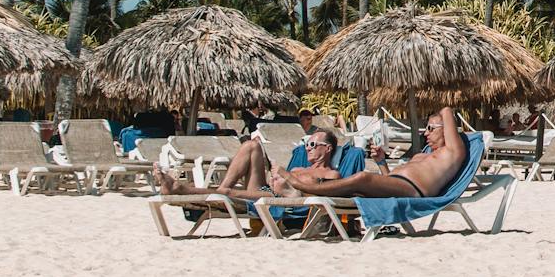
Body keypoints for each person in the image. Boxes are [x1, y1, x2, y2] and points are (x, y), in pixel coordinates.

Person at [267, 106, 468, 200]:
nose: (425, 133)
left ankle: (301, 187)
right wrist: (381, 162)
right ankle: (302, 191)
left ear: (447, 130)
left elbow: (447, 110)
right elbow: (389, 181)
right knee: (358, 187)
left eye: (431, 128)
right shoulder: (421, 156)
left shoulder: (451, 153)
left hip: (413, 190)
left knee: (362, 178)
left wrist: (440, 118)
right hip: (397, 186)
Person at [156, 128, 346, 202]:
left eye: (312, 144)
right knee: (250, 146)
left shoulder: (332, 175)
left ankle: (179, 188)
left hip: (279, 198)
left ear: (328, 149)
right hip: (266, 189)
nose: (308, 148)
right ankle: (221, 188)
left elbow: (316, 194)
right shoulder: (300, 167)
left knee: (228, 193)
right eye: (306, 144)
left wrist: (286, 177)